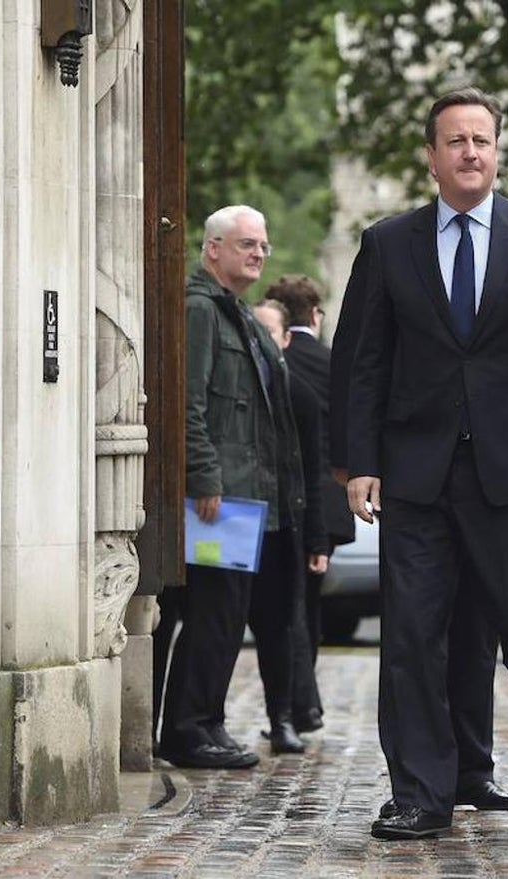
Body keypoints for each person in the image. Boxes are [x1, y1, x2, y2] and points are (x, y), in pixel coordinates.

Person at [344, 86, 508, 841]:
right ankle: (421, 793)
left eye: (480, 139)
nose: (469, 152)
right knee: (412, 636)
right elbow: (363, 360)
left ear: (497, 151)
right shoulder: (389, 243)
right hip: (416, 473)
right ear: (432, 157)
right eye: (454, 140)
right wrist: (358, 461)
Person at [159, 204, 307, 769]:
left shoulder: (237, 312)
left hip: (249, 495)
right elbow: (187, 402)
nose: (259, 253)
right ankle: (188, 730)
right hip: (218, 496)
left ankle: (208, 722)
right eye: (247, 244)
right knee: (212, 613)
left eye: (263, 245)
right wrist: (203, 476)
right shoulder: (200, 310)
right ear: (213, 248)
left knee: (226, 615)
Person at [263, 274, 355, 732]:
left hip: (288, 497)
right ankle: (305, 703)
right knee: (308, 606)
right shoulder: (333, 362)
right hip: (329, 500)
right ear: (315, 315)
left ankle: (299, 704)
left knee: (287, 607)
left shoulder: (273, 359)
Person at [250, 299, 331, 752]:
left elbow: (312, 473)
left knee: (283, 624)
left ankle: (286, 715)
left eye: (269, 331)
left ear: (285, 338)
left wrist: (317, 539)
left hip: (285, 524)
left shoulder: (299, 394)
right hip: (237, 519)